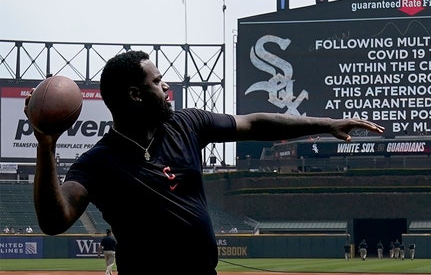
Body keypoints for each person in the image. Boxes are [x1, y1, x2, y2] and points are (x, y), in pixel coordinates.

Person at [25, 51, 385, 275]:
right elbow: (55, 221)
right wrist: (45, 146)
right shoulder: (98, 162)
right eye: (158, 81)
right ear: (135, 95)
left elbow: (255, 123)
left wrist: (327, 124)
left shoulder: (187, 124)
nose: (167, 88)